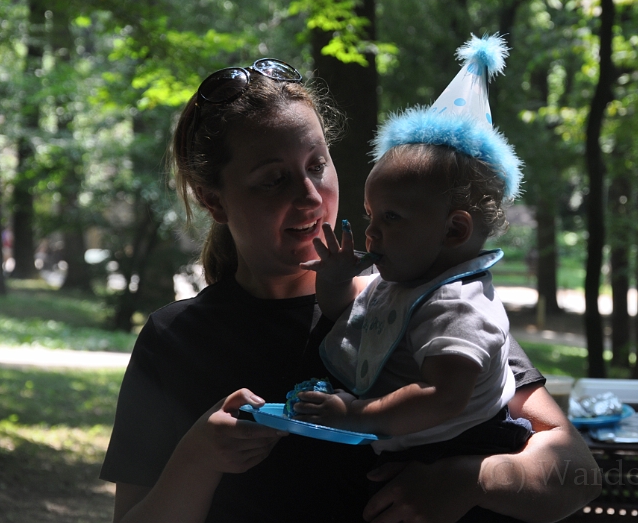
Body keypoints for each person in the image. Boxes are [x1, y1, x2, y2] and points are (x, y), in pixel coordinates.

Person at [100, 53, 600, 523]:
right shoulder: (176, 340)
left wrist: (474, 479)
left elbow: (576, 474)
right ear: (213, 201)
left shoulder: (423, 300)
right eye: (273, 179)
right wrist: (196, 459)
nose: (310, 196)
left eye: (317, 165)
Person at [292, 35, 533, 463]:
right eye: (370, 216)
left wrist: (354, 414)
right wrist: (335, 279)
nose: (371, 232)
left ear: (454, 230)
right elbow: (342, 310)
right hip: (421, 441)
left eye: (391, 217)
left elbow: (443, 397)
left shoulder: (461, 306)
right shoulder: (406, 279)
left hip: (463, 446)